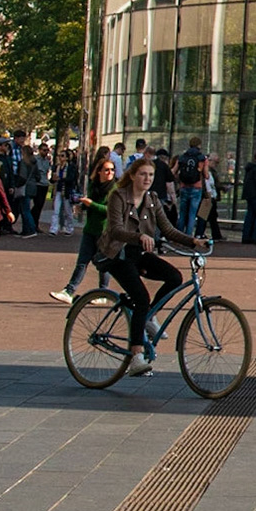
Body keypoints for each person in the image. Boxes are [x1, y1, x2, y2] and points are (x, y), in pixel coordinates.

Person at [98, 157, 207, 374]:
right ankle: (136, 357)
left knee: (174, 277)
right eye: (142, 174)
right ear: (132, 176)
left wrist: (194, 241)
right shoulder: (118, 196)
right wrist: (139, 237)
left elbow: (167, 229)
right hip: (116, 253)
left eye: (150, 175)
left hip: (138, 252)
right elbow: (116, 230)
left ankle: (148, 316)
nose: (147, 179)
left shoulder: (152, 199)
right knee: (140, 297)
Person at [52, 153, 121, 303]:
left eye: (112, 170)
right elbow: (91, 204)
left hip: (105, 233)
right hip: (90, 230)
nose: (110, 173)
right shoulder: (93, 186)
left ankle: (103, 293)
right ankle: (69, 291)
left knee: (103, 264)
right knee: (82, 262)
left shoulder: (115, 190)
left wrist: (91, 204)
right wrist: (82, 206)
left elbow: (109, 210)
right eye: (107, 170)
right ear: (99, 172)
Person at [174, 137, 206, 236]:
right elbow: (206, 174)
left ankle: (179, 235)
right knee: (192, 214)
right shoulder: (202, 158)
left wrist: (179, 180)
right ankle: (188, 236)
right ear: (199, 145)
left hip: (184, 187)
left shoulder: (182, 157)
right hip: (196, 187)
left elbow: (173, 171)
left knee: (183, 213)